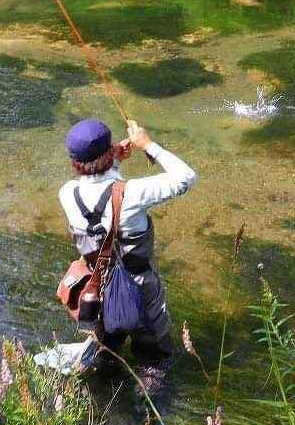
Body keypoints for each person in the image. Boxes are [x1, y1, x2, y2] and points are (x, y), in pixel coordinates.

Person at [59, 117, 196, 392]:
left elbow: (103, 196)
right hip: (139, 287)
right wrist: (149, 145)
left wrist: (113, 161)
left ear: (75, 162)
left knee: (108, 351)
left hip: (96, 288)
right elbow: (186, 177)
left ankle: (102, 398)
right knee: (154, 359)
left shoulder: (67, 193)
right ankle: (147, 410)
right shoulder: (134, 193)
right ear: (108, 151)